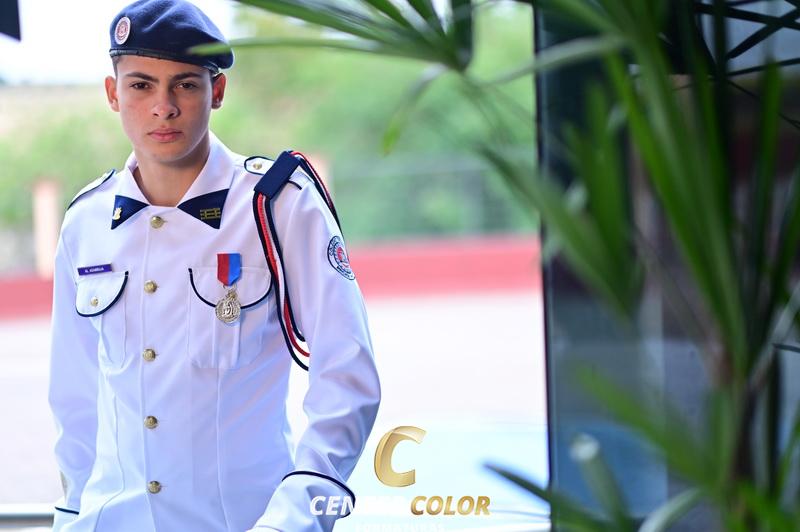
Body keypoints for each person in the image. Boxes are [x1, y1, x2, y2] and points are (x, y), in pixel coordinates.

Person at [47, 1, 381, 530]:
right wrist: (70, 517)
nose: (163, 107)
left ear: (217, 91)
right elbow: (75, 397)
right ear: (112, 93)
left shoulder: (278, 207)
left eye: (184, 84)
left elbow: (348, 376)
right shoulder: (85, 221)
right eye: (141, 85)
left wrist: (296, 520)